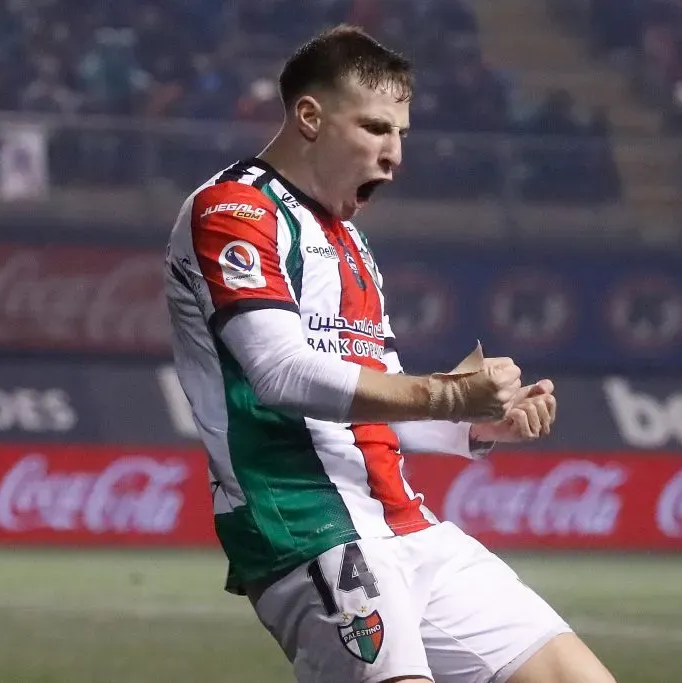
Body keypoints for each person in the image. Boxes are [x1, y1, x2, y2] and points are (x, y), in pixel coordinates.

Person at [163, 23, 616, 683]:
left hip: (408, 523)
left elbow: (378, 395)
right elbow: (281, 374)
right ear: (310, 117)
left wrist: (476, 424)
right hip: (311, 528)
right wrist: (450, 392)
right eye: (376, 128)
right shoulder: (233, 211)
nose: (395, 153)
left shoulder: (347, 240)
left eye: (401, 133)